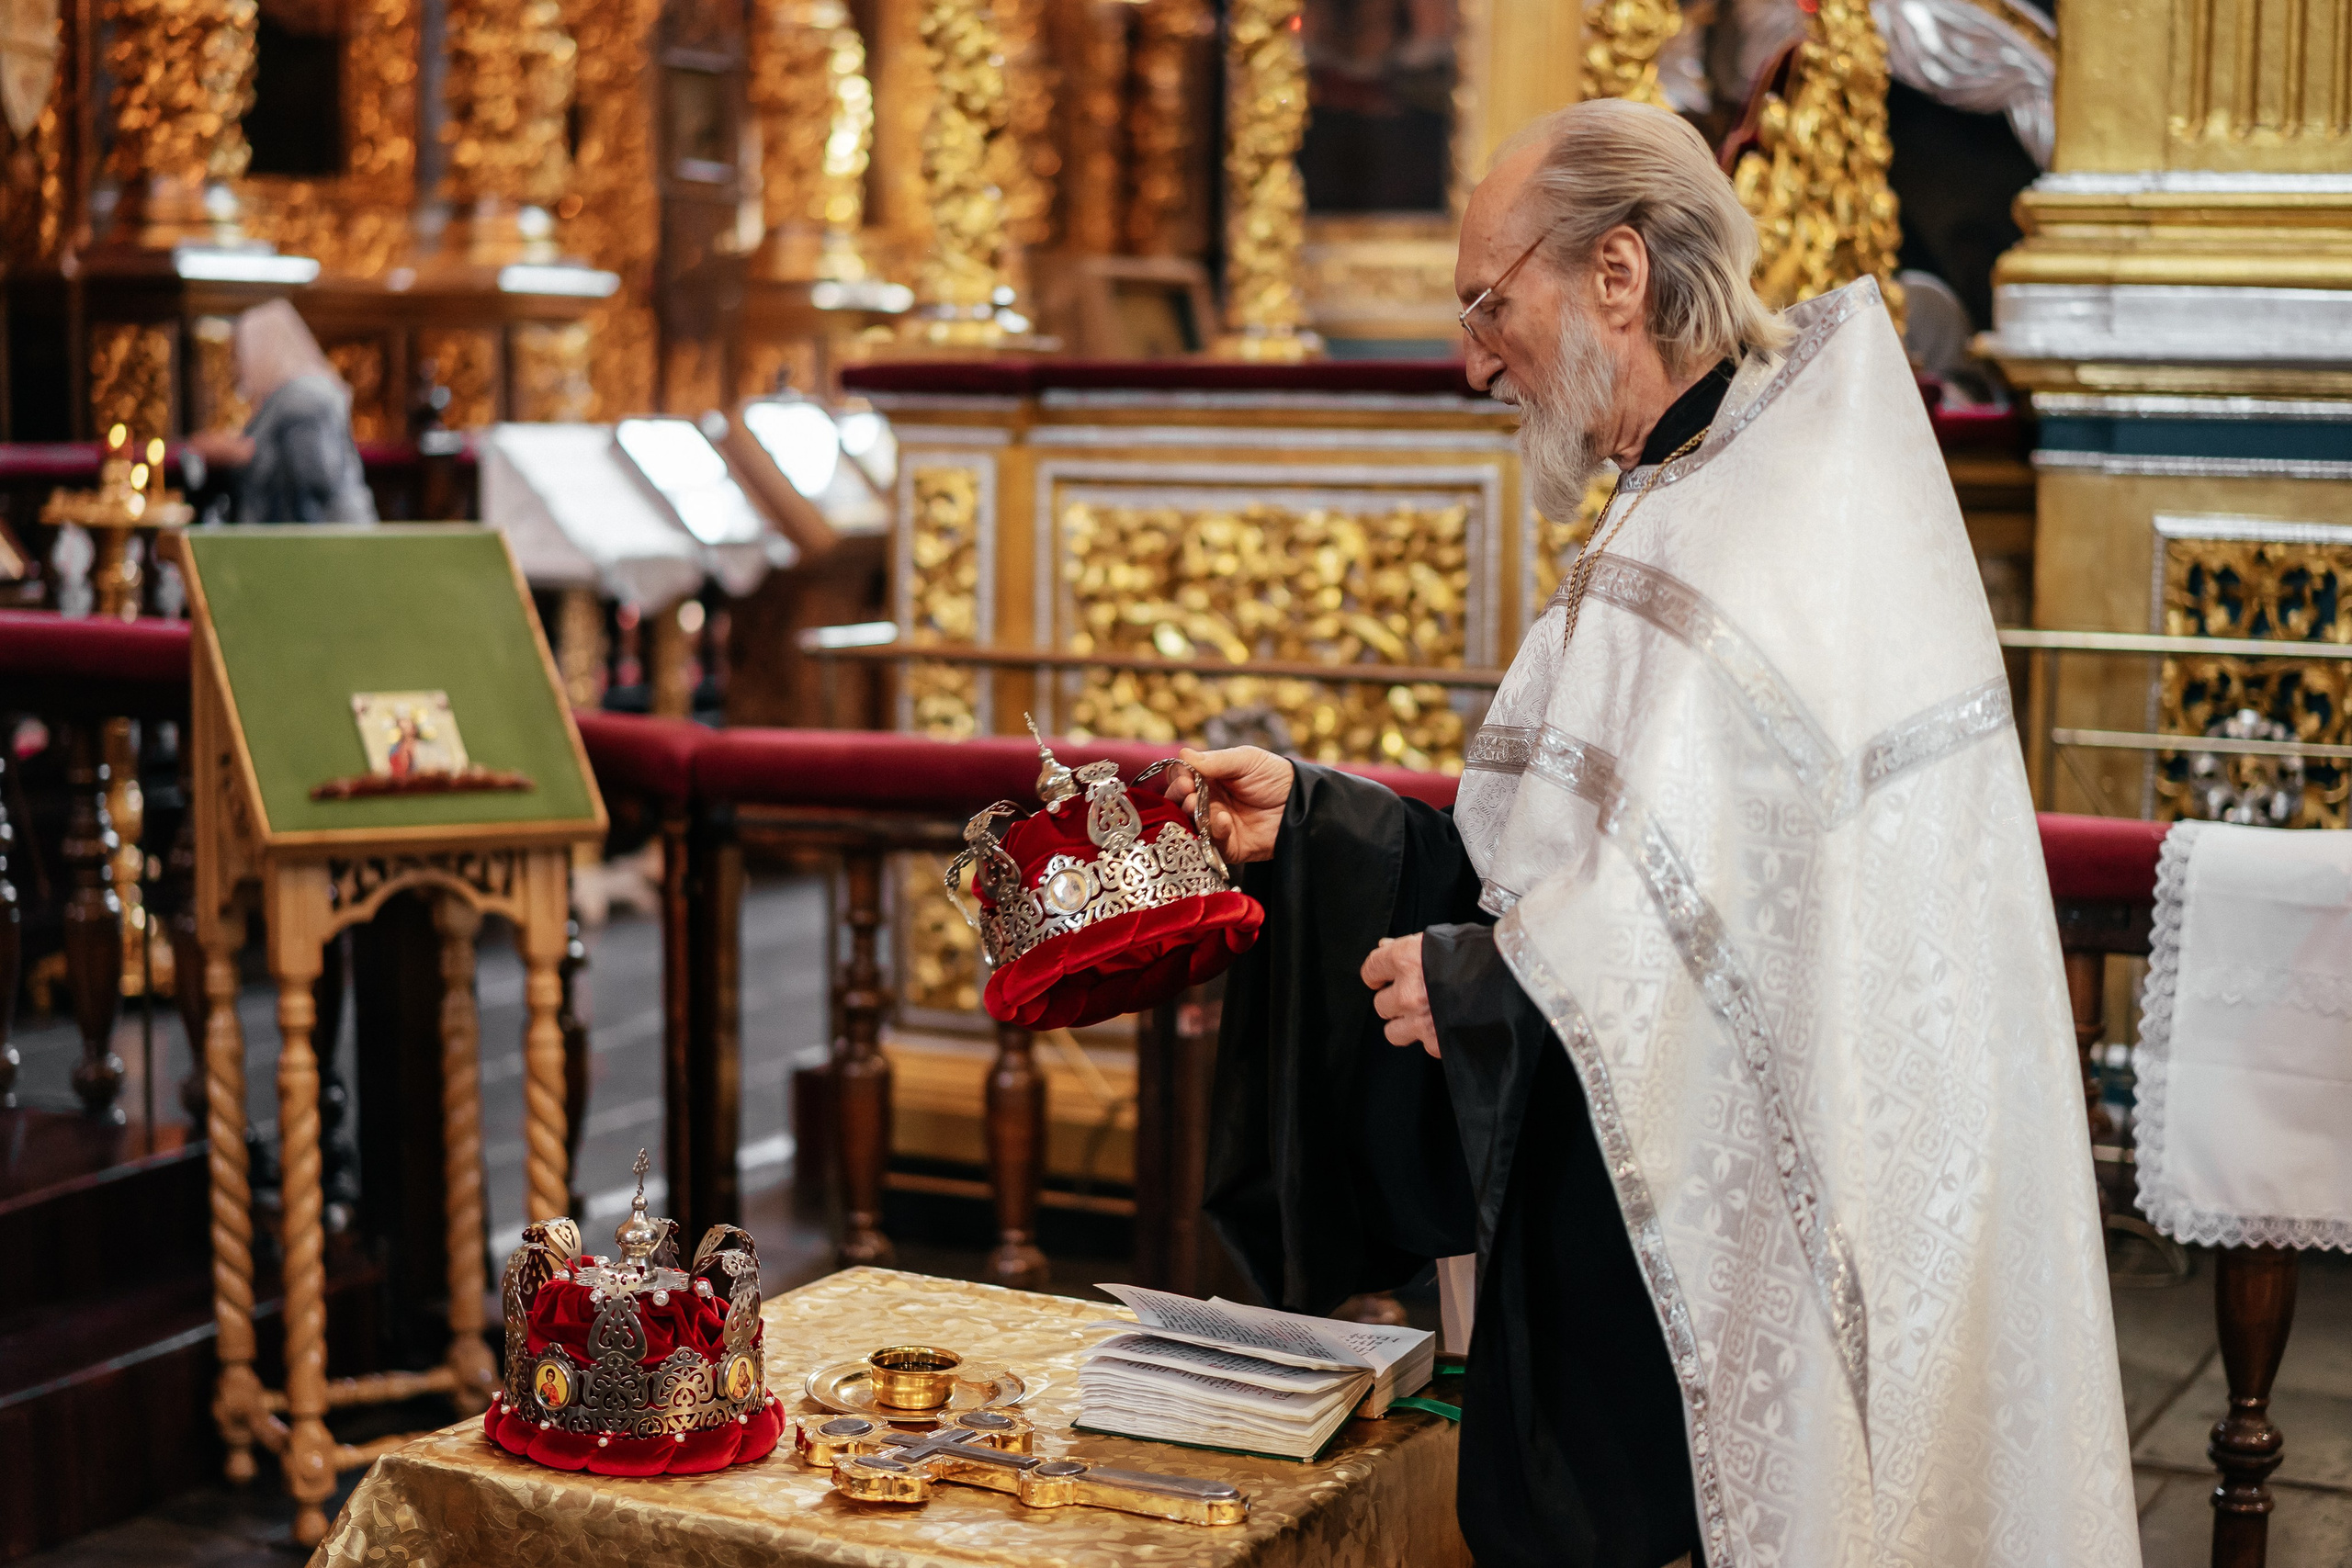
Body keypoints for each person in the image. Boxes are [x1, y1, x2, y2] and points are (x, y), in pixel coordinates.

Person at [1167, 98, 2136, 1568]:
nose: (1472, 356)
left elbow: (1773, 934)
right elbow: (1571, 866)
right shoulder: (1686, 488)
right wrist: (1314, 822)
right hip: (1618, 1189)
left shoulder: (1774, 518)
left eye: (1491, 302)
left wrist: (1497, 983)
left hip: (1743, 1239)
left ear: (1616, 274)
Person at [185, 299, 379, 524]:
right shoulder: (289, 395)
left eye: (241, 352)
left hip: (327, 542)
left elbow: (314, 477)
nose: (238, 365)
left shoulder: (303, 398)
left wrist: (243, 455)